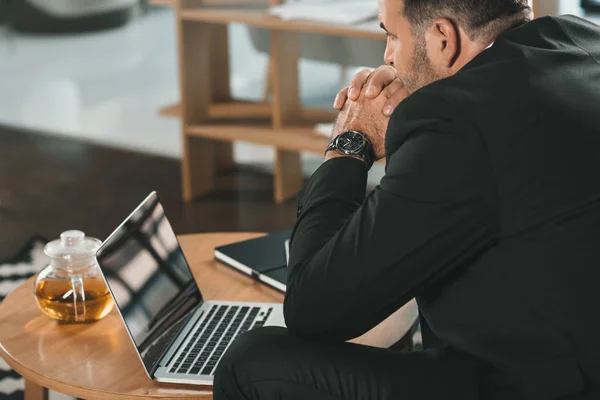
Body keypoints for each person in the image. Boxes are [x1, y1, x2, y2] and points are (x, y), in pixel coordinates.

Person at [214, 0, 600, 398]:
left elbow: (312, 310)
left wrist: (349, 145)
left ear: (444, 38)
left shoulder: (459, 122)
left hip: (535, 384)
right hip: (575, 346)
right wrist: (418, 111)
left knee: (252, 362)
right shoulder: (581, 38)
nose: (388, 55)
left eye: (392, 35)